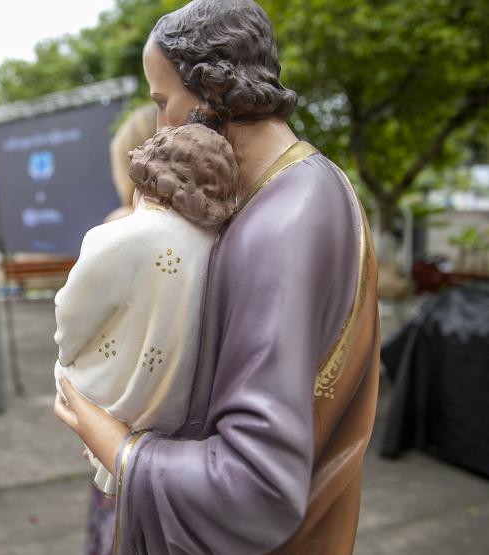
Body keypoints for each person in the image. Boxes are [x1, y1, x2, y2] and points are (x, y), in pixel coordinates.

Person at [54, 1, 380, 554]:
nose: (160, 128)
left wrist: (116, 445)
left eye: (164, 103)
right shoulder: (309, 187)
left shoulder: (277, 226)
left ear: (211, 93)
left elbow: (255, 489)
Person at [54, 124, 240, 496]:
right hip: (177, 409)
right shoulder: (221, 246)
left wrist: (65, 358)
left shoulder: (117, 236)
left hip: (110, 392)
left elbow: (71, 313)